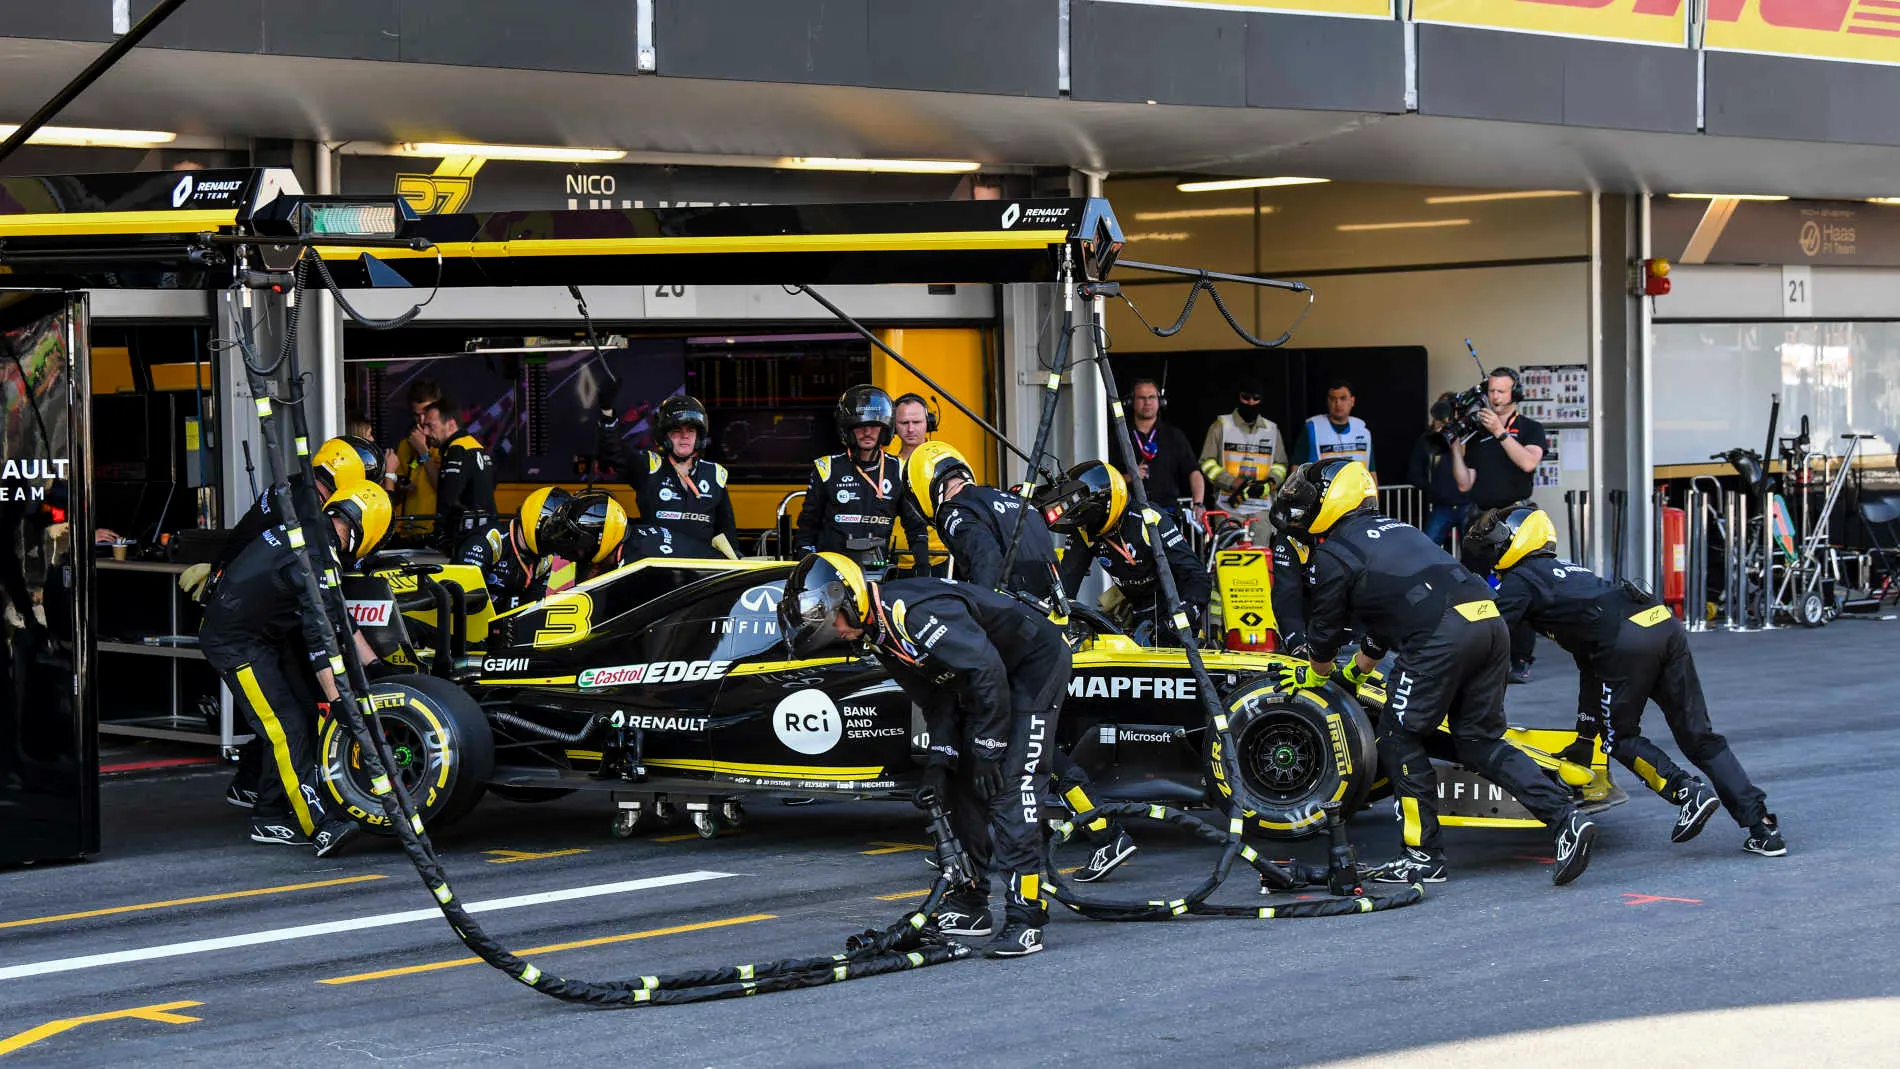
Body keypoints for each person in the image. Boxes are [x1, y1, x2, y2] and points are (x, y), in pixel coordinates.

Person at [1267, 459, 1598, 886]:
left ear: (1332, 500)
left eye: (1310, 498)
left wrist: (1317, 674)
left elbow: (1325, 636)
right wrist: (1355, 674)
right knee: (1479, 740)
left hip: (1441, 634)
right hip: (1488, 622)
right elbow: (1388, 618)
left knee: (1398, 734)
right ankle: (1565, 819)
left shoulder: (1334, 553)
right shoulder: (1397, 530)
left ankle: (1422, 856)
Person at [781, 552, 1069, 957]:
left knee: (1011, 786)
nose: (838, 634)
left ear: (847, 600)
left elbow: (986, 673)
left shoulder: (914, 615)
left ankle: (1027, 920)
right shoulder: (880, 636)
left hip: (1032, 665)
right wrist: (940, 761)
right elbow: (938, 698)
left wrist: (988, 747)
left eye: (834, 625)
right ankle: (970, 904)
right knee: (957, 785)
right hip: (988, 678)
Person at [1465, 504, 1785, 857]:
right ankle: (1763, 827)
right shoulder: (1569, 572)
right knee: (1700, 736)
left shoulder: (1521, 581)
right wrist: (1585, 737)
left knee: (1620, 739)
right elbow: (1589, 663)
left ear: (1518, 541)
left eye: (1498, 539)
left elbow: (1487, 635)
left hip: (1626, 640)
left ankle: (1686, 792)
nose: (1492, 547)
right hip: (1661, 623)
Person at [907, 443, 1138, 883]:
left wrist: (975, 622)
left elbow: (986, 566)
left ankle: (1100, 832)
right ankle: (1095, 832)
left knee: (1007, 741)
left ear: (924, 486)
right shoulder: (1010, 500)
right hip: (1048, 631)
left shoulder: (954, 511)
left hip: (1016, 639)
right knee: (1031, 744)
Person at [199, 481, 393, 857]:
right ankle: (317, 824)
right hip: (235, 642)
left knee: (301, 715)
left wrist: (376, 667)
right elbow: (320, 641)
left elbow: (338, 616)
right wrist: (342, 705)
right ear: (369, 531)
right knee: (285, 726)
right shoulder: (316, 555)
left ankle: (271, 810)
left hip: (262, 636)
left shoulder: (318, 538)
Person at [1448, 367, 1547, 684]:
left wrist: (1501, 433)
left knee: (1520, 587)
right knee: (1472, 586)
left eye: (1502, 391)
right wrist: (1454, 448)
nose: (1495, 397)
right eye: (1491, 391)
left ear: (1514, 393)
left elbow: (1528, 462)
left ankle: (1520, 658)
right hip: (1481, 518)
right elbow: (1465, 483)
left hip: (1517, 517)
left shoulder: (1531, 429)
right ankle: (1474, 654)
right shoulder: (1478, 434)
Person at [1042, 460, 1211, 644]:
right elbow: (1066, 585)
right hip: (1136, 621)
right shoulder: (1083, 530)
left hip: (1175, 619)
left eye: (1086, 516)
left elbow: (1198, 578)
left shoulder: (1148, 519)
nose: (1083, 524)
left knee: (1170, 634)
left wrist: (1180, 618)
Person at [792, 386, 922, 575]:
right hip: (831, 571)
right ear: (848, 428)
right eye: (860, 426)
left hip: (879, 571)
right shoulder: (827, 468)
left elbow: (915, 527)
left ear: (884, 428)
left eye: (874, 426)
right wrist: (805, 562)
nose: (867, 432)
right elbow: (807, 526)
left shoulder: (899, 469)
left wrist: (923, 567)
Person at [599, 393, 740, 560]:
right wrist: (607, 414)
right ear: (665, 436)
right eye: (676, 431)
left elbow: (728, 536)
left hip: (702, 573)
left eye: (691, 430)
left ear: (699, 436)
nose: (685, 436)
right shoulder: (650, 467)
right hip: (657, 569)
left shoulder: (716, 474)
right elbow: (614, 452)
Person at [1199, 374, 1288, 543]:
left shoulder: (1272, 429)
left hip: (1261, 508)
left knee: (1261, 560)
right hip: (1228, 505)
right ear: (1238, 397)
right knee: (1230, 558)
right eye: (1245, 398)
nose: (1251, 403)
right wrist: (1232, 482)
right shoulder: (1220, 426)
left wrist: (1269, 484)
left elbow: (1281, 465)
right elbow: (1206, 462)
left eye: (1256, 398)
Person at [543, 488, 684, 590]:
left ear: (598, 541)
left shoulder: (634, 566)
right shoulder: (631, 533)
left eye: (576, 541)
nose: (574, 549)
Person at [457, 486, 569, 613]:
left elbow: (532, 609)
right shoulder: (491, 540)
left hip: (505, 621)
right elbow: (466, 598)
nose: (555, 538)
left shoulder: (545, 558)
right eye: (553, 530)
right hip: (466, 621)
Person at [418, 396, 496, 554]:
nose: (426, 432)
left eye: (430, 426)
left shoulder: (456, 449)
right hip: (486, 532)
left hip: (467, 537)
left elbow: (448, 498)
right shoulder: (476, 445)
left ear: (451, 424)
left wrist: (438, 535)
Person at [1126, 378, 1204, 525]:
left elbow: (1194, 471)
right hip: (1131, 514)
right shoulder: (1120, 436)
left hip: (1167, 514)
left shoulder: (1174, 435)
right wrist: (1128, 477)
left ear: (1160, 402)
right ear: (1131, 402)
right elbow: (1105, 477)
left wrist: (1198, 503)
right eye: (1142, 398)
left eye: (1152, 397)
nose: (1147, 402)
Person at [1408, 393, 1471, 550]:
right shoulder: (1427, 439)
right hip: (1441, 506)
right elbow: (1414, 473)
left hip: (1468, 505)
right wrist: (1433, 489)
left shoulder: (1468, 436)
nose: (1444, 416)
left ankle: (1475, 576)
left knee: (1474, 552)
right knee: (1426, 551)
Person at [389, 379, 442, 541]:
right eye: (417, 415)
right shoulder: (406, 445)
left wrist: (423, 451)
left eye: (426, 413)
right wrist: (401, 485)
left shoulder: (446, 445)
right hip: (408, 531)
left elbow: (442, 487)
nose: (422, 420)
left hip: (435, 531)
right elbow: (395, 491)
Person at [1298, 379, 1374, 471]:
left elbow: (1371, 471)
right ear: (1327, 401)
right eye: (1333, 399)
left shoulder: (1363, 430)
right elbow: (1296, 469)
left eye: (1343, 398)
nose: (1338, 404)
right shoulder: (1312, 428)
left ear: (1352, 401)